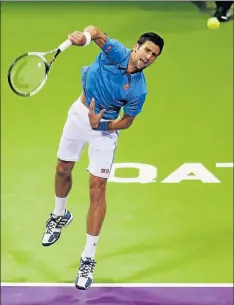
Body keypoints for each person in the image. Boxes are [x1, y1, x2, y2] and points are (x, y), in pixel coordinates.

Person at [41, 25, 164, 290]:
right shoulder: (115, 52)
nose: (148, 57)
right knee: (63, 169)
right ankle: (59, 214)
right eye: (146, 50)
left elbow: (127, 122)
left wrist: (102, 126)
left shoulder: (138, 90)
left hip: (104, 131)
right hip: (79, 113)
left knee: (97, 189)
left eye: (154, 55)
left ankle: (87, 258)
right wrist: (84, 38)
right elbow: (96, 32)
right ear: (136, 47)